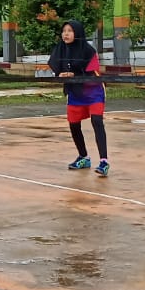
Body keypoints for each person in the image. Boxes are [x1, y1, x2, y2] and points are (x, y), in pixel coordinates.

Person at [48, 20, 110, 177]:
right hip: (75, 93)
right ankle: (83, 157)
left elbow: (92, 73)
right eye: (64, 31)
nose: (66, 34)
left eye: (69, 30)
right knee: (74, 125)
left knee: (97, 122)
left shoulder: (88, 51)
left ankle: (104, 162)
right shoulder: (60, 49)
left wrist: (74, 75)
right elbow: (56, 67)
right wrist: (60, 74)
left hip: (93, 91)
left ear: (78, 33)